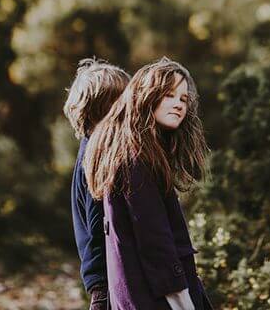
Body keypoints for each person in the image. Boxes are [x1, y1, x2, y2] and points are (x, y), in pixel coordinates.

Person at [84, 57, 213, 310]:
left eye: (183, 99)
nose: (178, 104)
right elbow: (155, 242)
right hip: (155, 300)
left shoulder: (134, 151)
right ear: (147, 96)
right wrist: (183, 302)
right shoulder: (137, 159)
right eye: (169, 96)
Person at [64, 58, 131, 310]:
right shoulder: (96, 156)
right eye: (122, 102)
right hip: (106, 282)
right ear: (103, 108)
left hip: (105, 279)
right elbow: (97, 224)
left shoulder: (94, 149)